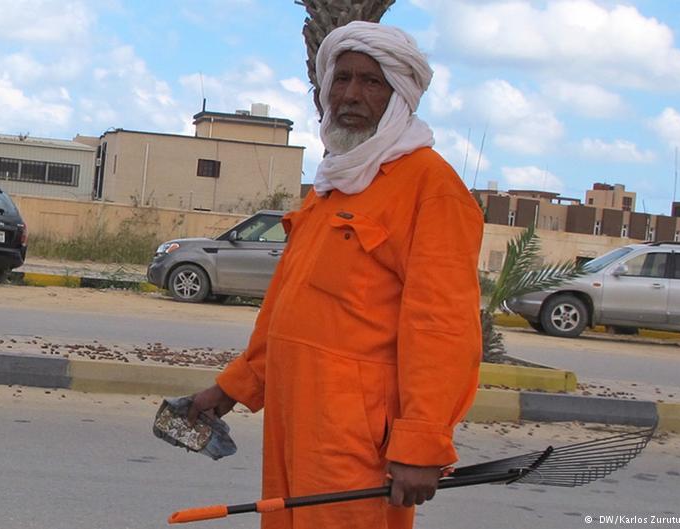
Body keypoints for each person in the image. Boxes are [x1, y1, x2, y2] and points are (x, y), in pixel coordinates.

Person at [188, 21, 483, 529]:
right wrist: (234, 386)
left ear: (399, 96)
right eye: (341, 79)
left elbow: (442, 328)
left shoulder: (431, 187)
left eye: (371, 82)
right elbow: (290, 307)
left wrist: (420, 442)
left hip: (355, 433)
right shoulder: (333, 184)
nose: (350, 94)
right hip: (294, 418)